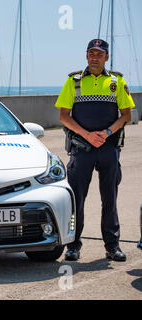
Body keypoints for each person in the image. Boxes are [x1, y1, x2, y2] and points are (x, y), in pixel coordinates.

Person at [55, 39, 135, 261]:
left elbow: (126, 115)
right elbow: (64, 117)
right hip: (82, 149)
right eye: (91, 53)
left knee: (110, 198)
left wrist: (107, 133)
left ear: (106, 57)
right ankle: (73, 245)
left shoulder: (116, 81)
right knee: (76, 200)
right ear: (86, 55)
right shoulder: (74, 81)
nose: (94, 56)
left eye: (99, 53)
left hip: (108, 148)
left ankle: (112, 246)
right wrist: (87, 135)